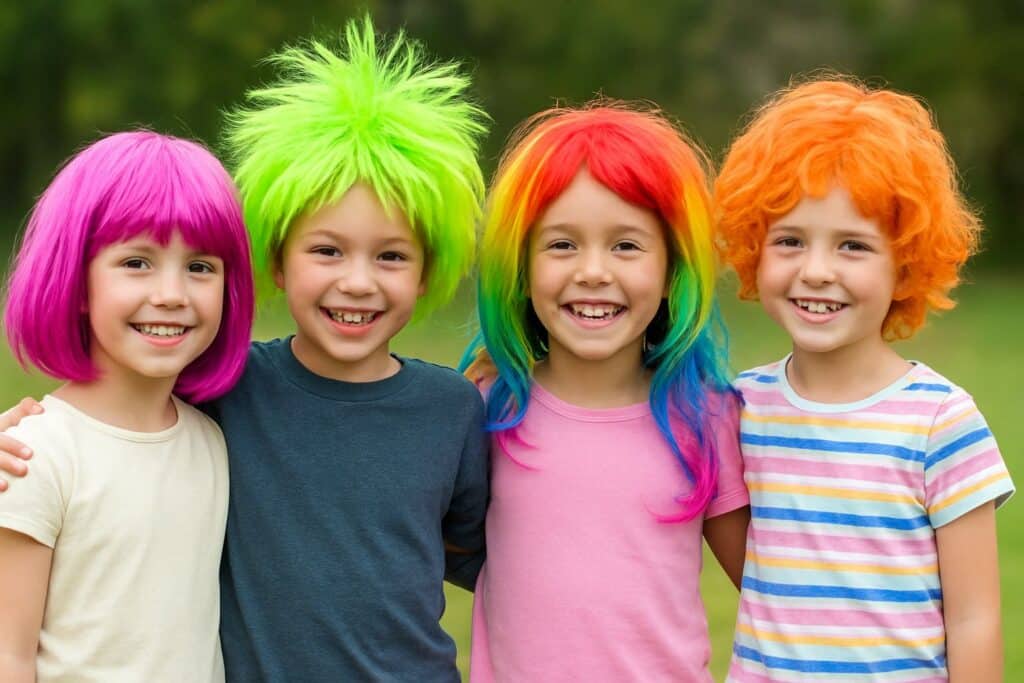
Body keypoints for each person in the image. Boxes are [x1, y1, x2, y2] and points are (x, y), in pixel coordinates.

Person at [0, 16, 489, 682]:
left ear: (429, 270)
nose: (356, 280)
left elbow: (496, 558)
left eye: (391, 255)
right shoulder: (228, 394)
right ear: (276, 262)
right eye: (326, 250)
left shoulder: (450, 409)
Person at [714, 76, 1015, 682]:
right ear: (754, 249)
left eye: (852, 246)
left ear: (906, 262)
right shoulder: (738, 408)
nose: (817, 271)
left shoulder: (940, 421)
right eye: (790, 241)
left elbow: (976, 618)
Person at [460, 102, 750, 682]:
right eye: (562, 245)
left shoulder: (709, 417)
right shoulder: (484, 406)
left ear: (672, 271)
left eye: (626, 246)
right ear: (520, 264)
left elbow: (770, 592)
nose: (593, 271)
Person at [0, 130, 254, 682]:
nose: (171, 293)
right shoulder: (33, 456)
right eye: (137, 262)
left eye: (201, 266)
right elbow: (8, 656)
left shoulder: (211, 441)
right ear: (78, 282)